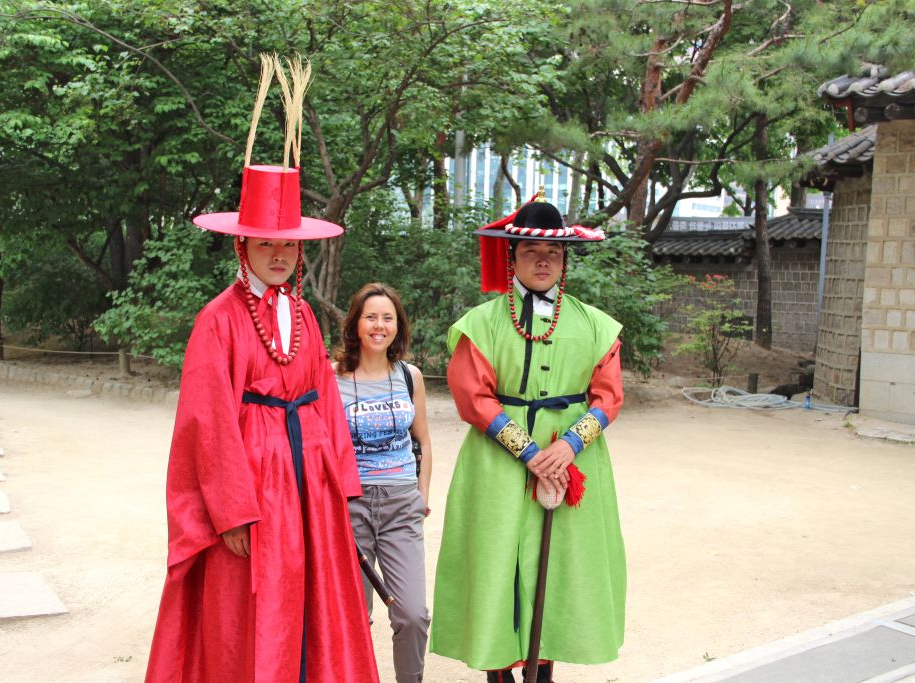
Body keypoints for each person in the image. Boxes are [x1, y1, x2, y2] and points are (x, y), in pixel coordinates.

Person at [145, 56, 379, 683]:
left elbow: (325, 403)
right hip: (253, 490)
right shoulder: (216, 321)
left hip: (308, 488)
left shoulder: (303, 314)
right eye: (266, 243)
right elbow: (207, 421)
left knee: (314, 609)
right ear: (240, 243)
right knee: (253, 617)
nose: (279, 255)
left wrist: (340, 489)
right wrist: (230, 513)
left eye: (289, 244)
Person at [429, 193, 626, 683]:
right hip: (497, 461)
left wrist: (568, 446)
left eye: (554, 254)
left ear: (564, 260)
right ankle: (497, 672)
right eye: (533, 252)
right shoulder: (480, 324)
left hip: (571, 459)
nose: (544, 262)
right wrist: (530, 451)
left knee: (558, 567)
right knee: (497, 561)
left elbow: (609, 397)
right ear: (512, 255)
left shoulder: (596, 326)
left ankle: (545, 670)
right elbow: (473, 396)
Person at [333, 283, 432, 683]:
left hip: (401, 505)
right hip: (350, 506)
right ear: (355, 323)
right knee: (352, 616)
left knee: (412, 614)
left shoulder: (410, 376)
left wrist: (421, 496)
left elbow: (423, 440)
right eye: (370, 316)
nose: (379, 325)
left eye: (387, 317)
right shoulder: (331, 377)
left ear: (398, 326)